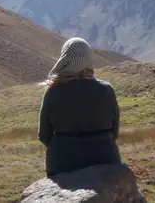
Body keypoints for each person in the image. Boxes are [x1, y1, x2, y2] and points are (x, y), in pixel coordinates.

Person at [37, 37, 122, 176]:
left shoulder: (53, 91)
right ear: (88, 60)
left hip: (62, 163)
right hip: (105, 159)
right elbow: (115, 132)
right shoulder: (106, 90)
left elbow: (44, 135)